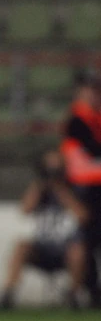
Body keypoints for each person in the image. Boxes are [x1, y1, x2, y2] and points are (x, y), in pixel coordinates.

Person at [0, 150, 89, 310]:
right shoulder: (40, 190)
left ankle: (74, 295)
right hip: (42, 246)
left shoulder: (75, 188)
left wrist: (61, 191)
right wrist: (40, 186)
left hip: (66, 246)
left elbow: (83, 216)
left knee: (78, 251)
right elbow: (25, 210)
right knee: (21, 246)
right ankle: (8, 293)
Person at [60, 72, 101, 309]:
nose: (94, 95)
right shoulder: (77, 121)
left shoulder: (94, 118)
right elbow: (92, 150)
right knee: (86, 244)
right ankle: (90, 292)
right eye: (90, 90)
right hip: (85, 189)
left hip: (94, 188)